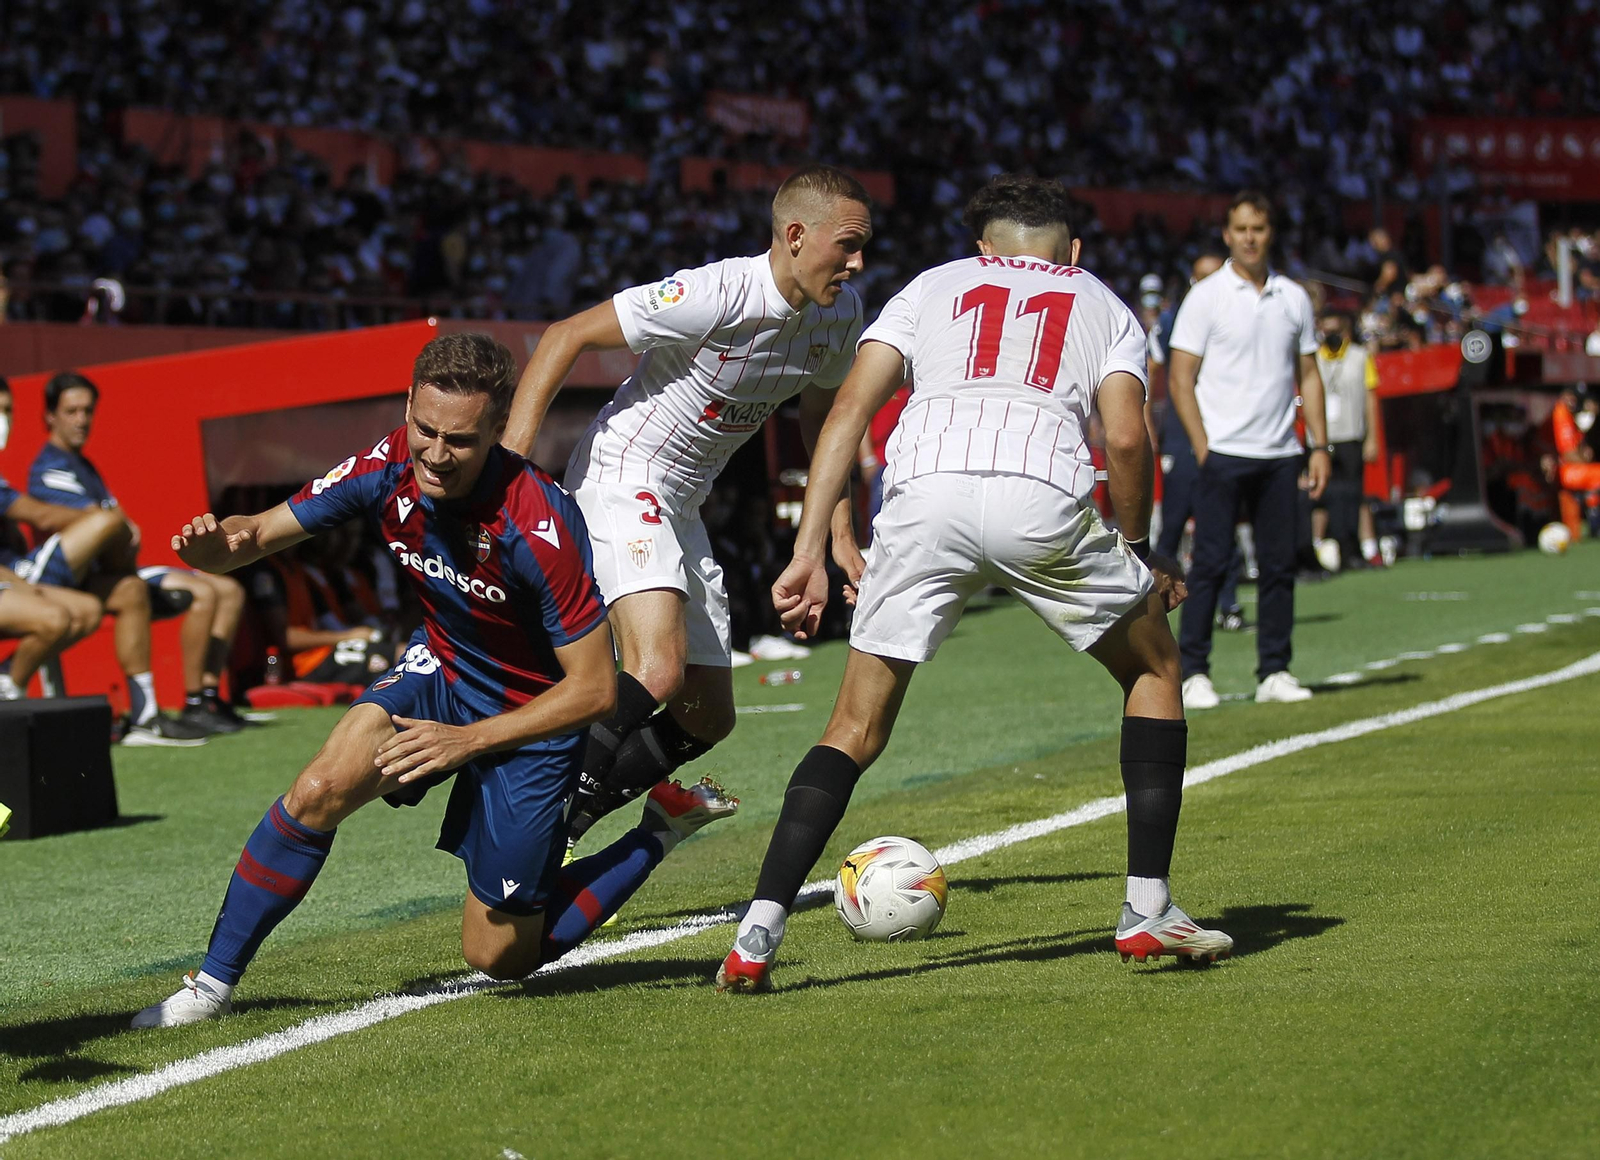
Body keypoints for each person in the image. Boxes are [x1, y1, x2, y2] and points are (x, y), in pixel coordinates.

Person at [715, 175, 1232, 994]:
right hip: (1042, 490)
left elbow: (848, 409)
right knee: (1156, 670)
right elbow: (1127, 440)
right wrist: (1136, 550)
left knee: (854, 726)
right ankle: (1146, 910)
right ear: (1076, 251)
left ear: (982, 250)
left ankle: (757, 931)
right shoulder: (1102, 301)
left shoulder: (931, 285)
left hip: (924, 495)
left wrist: (811, 545)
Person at [131, 333, 737, 1028]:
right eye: (425, 430)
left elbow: (597, 691)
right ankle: (208, 989)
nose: (436, 455)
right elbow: (257, 535)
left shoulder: (539, 527)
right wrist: (218, 548)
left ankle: (659, 829)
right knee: (319, 788)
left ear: (495, 434)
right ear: (408, 407)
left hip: (533, 716)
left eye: (460, 441)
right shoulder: (387, 462)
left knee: (500, 955)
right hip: (443, 670)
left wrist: (466, 743)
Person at [501, 164, 871, 855]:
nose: (858, 263)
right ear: (795, 235)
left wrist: (836, 537)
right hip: (623, 474)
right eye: (846, 245)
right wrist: (512, 469)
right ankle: (534, 824)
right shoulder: (717, 292)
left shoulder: (839, 316)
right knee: (657, 669)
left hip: (684, 501)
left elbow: (826, 424)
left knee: (707, 712)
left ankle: (568, 817)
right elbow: (564, 335)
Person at [1166, 192, 1331, 710]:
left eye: (1258, 228)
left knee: (1279, 566)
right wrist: (1203, 447)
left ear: (1270, 232)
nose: (1249, 237)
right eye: (1240, 228)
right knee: (1211, 564)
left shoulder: (1293, 298)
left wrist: (1318, 445)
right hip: (1223, 453)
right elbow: (1179, 377)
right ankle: (1193, 673)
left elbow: (1309, 373)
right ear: (1227, 234)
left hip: (1280, 452)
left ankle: (1275, 671)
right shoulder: (1207, 296)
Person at [30, 372, 246, 734]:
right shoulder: (48, 468)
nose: (82, 420)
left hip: (115, 572)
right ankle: (190, 704)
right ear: (50, 416)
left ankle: (209, 697)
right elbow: (107, 530)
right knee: (203, 593)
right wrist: (119, 530)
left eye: (88, 411)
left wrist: (122, 531)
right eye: (72, 411)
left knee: (229, 590)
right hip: (82, 580)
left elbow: (122, 531)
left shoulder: (83, 465)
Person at [0, 378, 128, 703]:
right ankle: (9, 692)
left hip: (11, 578)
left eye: (8, 410)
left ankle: (8, 680)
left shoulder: (85, 465)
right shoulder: (49, 465)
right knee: (54, 617)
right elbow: (41, 516)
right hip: (14, 579)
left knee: (88, 609)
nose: (4, 420)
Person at [1149, 251, 1247, 630]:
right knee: (1171, 527)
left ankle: (1229, 604)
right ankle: (1150, 604)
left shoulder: (1234, 315)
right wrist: (1148, 428)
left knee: (1220, 526)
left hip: (1222, 433)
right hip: (1179, 436)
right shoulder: (1174, 320)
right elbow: (1149, 369)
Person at [1311, 311, 1382, 568]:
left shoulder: (1360, 357)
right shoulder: (1314, 359)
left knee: (1354, 494)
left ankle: (1357, 547)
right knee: (1320, 495)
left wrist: (1372, 437)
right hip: (1321, 438)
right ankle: (1319, 548)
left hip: (1351, 434)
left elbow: (1371, 399)